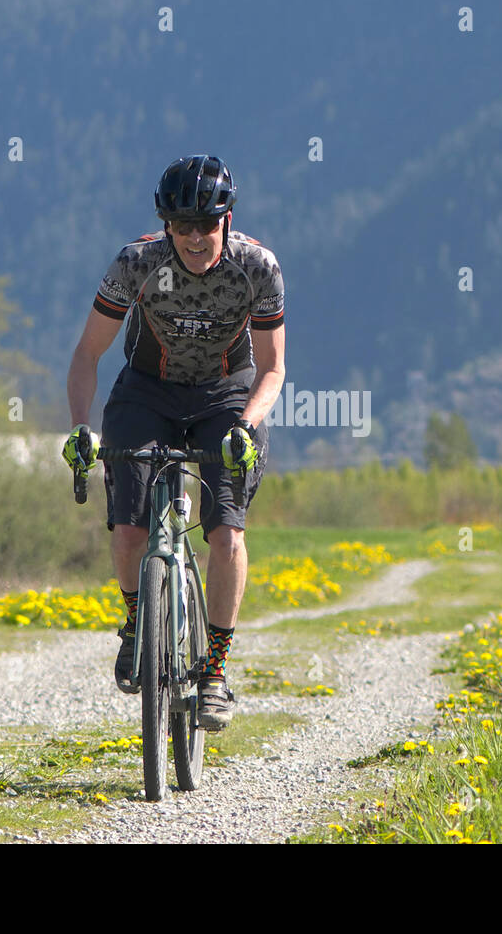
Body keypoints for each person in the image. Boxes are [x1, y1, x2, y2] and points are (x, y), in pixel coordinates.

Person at [62, 154, 286, 731]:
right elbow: (88, 354)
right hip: (147, 390)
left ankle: (213, 670)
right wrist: (81, 426)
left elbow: (272, 370)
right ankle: (139, 622)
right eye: (180, 226)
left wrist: (248, 426)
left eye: (205, 225)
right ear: (165, 224)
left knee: (225, 530)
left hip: (225, 396)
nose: (193, 237)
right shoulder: (136, 263)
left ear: (227, 220)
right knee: (130, 524)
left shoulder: (256, 268)